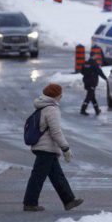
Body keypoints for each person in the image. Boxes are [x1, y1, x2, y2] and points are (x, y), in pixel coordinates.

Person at [23, 83, 84, 211]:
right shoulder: (52, 110)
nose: (61, 96)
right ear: (56, 95)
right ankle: (30, 203)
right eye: (60, 94)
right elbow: (56, 132)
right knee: (38, 176)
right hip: (46, 148)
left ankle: (69, 200)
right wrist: (65, 148)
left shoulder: (43, 106)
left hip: (44, 147)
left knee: (57, 176)